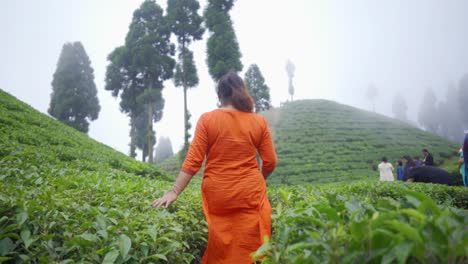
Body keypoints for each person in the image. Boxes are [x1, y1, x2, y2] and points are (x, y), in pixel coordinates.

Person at [152, 72, 278, 263]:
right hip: (250, 192)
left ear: (220, 96)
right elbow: (270, 162)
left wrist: (174, 192)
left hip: (219, 194)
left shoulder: (208, 120)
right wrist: (259, 180)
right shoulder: (258, 122)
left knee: (221, 244)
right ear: (242, 93)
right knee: (249, 245)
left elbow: (193, 161)